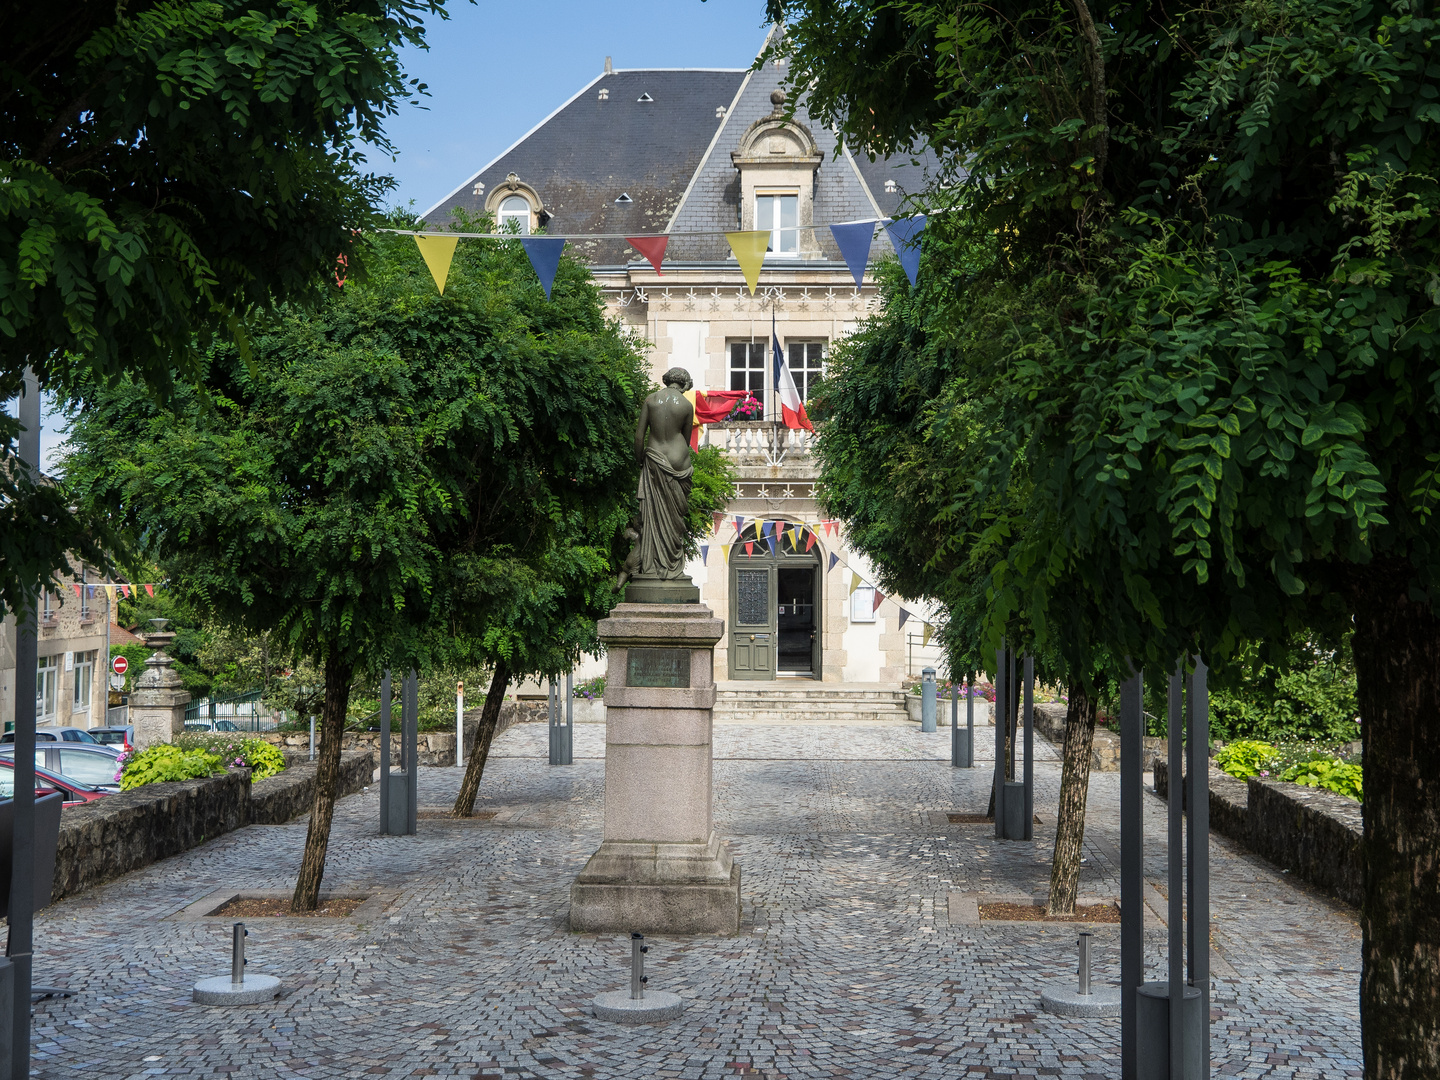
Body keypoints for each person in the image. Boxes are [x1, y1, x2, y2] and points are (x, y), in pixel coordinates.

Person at [633, 368, 694, 579]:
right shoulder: (687, 405)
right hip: (679, 462)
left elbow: (639, 436)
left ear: (666, 380)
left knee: (653, 514)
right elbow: (686, 440)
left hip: (654, 457)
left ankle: (652, 564)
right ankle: (670, 564)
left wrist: (640, 459)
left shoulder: (651, 400)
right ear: (685, 384)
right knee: (673, 515)